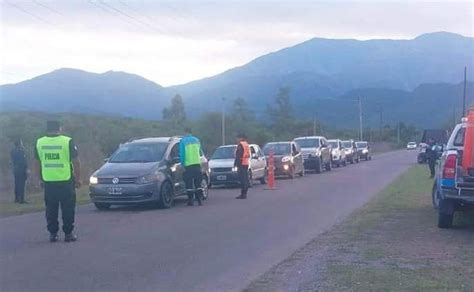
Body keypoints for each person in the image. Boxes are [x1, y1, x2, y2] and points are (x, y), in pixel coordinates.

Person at [35, 120, 81, 242]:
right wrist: (78, 178)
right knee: (68, 208)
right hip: (65, 180)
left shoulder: (39, 142)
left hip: (48, 181)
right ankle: (68, 233)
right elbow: (76, 162)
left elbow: (37, 163)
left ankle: (53, 233)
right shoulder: (67, 141)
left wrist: (39, 178)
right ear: (59, 128)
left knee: (51, 209)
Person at [179, 128, 203, 206]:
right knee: (198, 183)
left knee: (188, 184)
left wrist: (182, 164)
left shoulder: (183, 141)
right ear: (191, 132)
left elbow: (182, 154)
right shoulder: (197, 140)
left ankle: (190, 201)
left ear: (185, 132)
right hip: (197, 164)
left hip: (188, 165)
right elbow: (200, 151)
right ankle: (199, 200)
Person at [10, 139, 28, 203]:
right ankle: (22, 199)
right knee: (21, 184)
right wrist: (26, 169)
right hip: (21, 168)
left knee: (16, 184)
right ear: (19, 144)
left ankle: (16, 198)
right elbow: (24, 161)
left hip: (15, 168)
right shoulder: (21, 151)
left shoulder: (12, 151)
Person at [234, 133, 251, 199]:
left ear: (240, 138)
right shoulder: (246, 144)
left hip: (241, 163)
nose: (236, 139)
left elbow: (239, 155)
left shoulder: (241, 145)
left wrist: (236, 164)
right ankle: (244, 193)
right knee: (245, 179)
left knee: (242, 179)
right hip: (245, 163)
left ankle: (243, 194)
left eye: (237, 138)